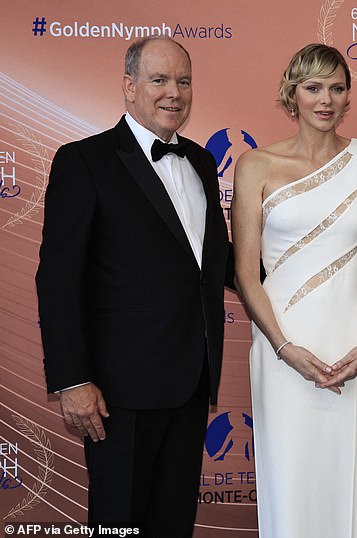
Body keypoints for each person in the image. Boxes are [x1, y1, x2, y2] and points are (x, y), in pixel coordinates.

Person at [36, 35, 232, 536]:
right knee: (119, 524)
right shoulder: (85, 161)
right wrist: (72, 380)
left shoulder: (203, 163)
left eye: (183, 81)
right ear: (129, 86)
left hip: (190, 384)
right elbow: (58, 278)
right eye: (160, 80)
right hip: (117, 394)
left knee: (173, 525)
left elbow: (217, 263)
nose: (174, 93)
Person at [231, 44, 357, 537]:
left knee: (356, 476)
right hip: (284, 347)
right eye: (314, 88)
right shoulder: (255, 166)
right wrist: (286, 349)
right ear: (293, 94)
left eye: (337, 88)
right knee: (295, 481)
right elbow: (247, 274)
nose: (326, 100)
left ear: (348, 95)